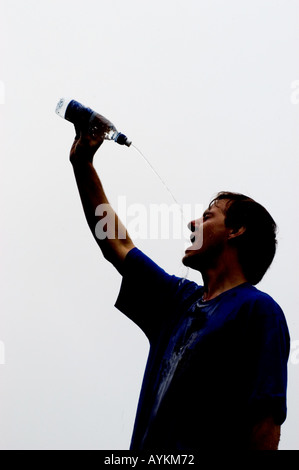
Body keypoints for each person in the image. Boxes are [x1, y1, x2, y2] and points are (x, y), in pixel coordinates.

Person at [69, 121, 290, 451]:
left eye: (207, 216)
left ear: (236, 230)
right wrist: (83, 164)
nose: (193, 223)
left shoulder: (258, 312)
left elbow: (265, 422)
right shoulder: (177, 302)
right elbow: (117, 244)